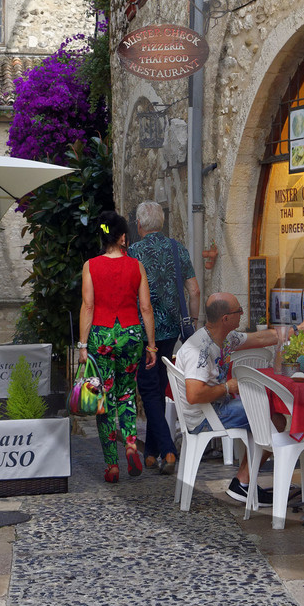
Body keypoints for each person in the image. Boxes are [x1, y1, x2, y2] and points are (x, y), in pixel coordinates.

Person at [174, 292, 282, 504]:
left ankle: (243, 482)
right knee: (273, 417)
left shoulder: (223, 338)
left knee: (264, 411)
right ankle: (242, 482)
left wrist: (296, 330)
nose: (242, 314)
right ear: (226, 319)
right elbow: (194, 394)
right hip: (204, 417)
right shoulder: (201, 350)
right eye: (238, 311)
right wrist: (227, 387)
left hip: (214, 408)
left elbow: (259, 338)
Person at [78, 211, 157, 484]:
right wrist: (152, 346)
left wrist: (82, 344)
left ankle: (112, 465)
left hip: (101, 336)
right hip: (131, 334)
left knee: (105, 400)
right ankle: (132, 443)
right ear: (123, 237)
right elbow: (146, 308)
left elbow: (88, 306)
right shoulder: (136, 266)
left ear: (102, 236)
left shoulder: (91, 266)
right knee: (126, 394)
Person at [127, 200, 200, 474]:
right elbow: (194, 291)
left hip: (145, 333)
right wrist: (192, 321)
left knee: (148, 389)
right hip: (172, 330)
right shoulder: (176, 248)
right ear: (162, 223)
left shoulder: (133, 252)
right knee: (157, 386)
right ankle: (152, 454)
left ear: (139, 225)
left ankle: (168, 451)